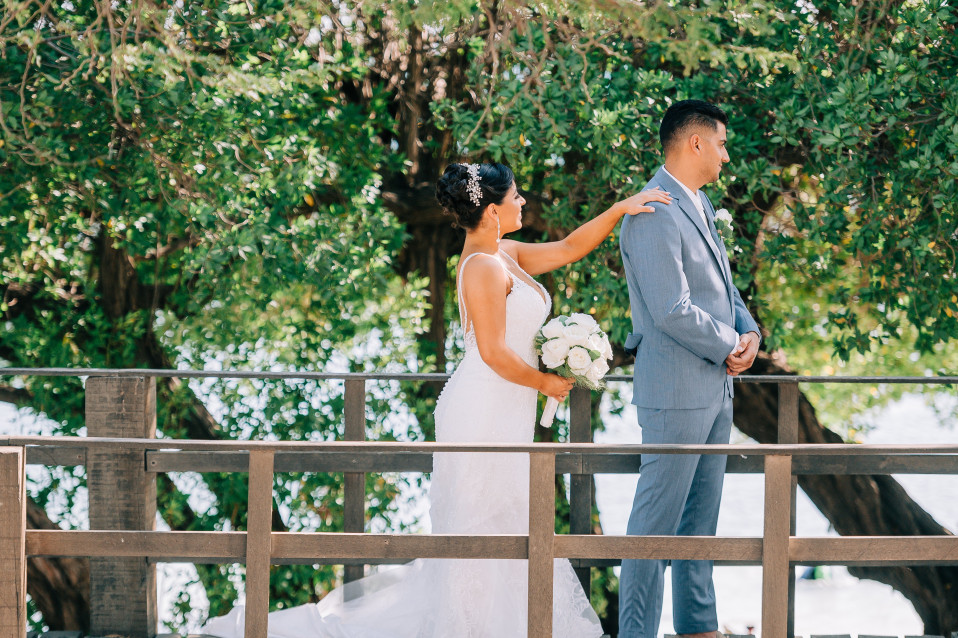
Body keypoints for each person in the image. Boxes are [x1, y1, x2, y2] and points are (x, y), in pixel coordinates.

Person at [199, 161, 671, 637]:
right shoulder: (484, 267)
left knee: (509, 527)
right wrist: (544, 382)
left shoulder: (505, 253)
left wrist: (621, 209)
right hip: (483, 411)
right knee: (482, 528)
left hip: (506, 409)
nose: (523, 201)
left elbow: (570, 248)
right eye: (516, 197)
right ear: (490, 210)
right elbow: (491, 353)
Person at [616, 99, 762, 638]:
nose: (727, 155)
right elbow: (671, 307)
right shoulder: (653, 210)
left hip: (717, 390)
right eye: (721, 143)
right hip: (675, 391)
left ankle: (699, 629)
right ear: (695, 142)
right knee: (652, 533)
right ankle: (635, 634)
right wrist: (728, 344)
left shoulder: (697, 204)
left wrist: (748, 334)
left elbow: (724, 290)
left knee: (700, 526)